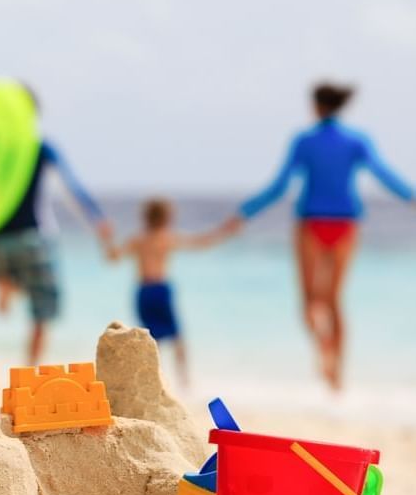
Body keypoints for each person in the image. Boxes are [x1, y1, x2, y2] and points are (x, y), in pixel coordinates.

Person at [224, 83, 414, 390]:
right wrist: (411, 197)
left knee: (310, 303)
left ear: (316, 106)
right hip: (346, 223)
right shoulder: (357, 141)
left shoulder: (304, 141)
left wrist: (244, 213)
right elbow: (383, 173)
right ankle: (337, 369)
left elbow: (280, 186)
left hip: (311, 222)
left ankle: (324, 350)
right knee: (334, 300)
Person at [0, 89, 112, 364]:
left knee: (11, 286)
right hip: (34, 238)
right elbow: (70, 189)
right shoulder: (40, 148)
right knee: (42, 313)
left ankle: (6, 286)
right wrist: (97, 220)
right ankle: (30, 368)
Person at [104, 198, 233, 388]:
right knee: (176, 338)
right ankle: (183, 381)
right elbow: (201, 243)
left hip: (145, 291)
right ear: (167, 218)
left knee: (151, 341)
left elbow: (113, 258)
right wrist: (225, 231)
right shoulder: (167, 238)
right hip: (161, 290)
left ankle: (158, 381)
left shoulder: (138, 240)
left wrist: (106, 238)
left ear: (145, 217)